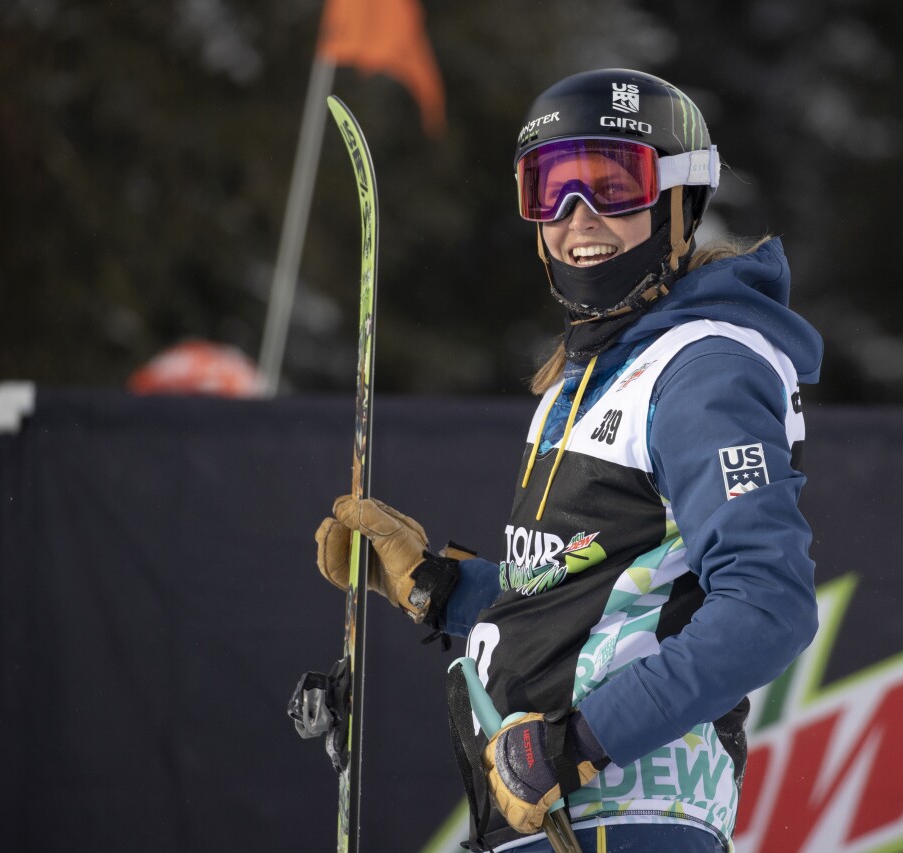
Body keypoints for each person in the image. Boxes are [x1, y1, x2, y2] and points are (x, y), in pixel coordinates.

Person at [312, 68, 823, 852]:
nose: (576, 217)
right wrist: (436, 588)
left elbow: (768, 607)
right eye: (549, 189)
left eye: (611, 184)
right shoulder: (587, 375)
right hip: (552, 823)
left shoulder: (704, 368)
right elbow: (583, 605)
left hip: (630, 817)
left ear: (676, 201)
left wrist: (575, 743)